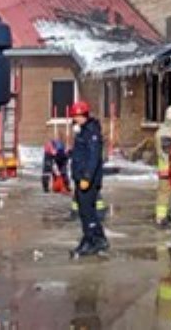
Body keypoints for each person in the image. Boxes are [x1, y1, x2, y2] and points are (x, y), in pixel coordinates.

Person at [68, 100, 108, 258]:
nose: (74, 119)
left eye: (76, 116)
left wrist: (87, 177)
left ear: (84, 115)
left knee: (87, 212)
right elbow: (81, 154)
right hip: (80, 178)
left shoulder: (91, 132)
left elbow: (93, 158)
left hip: (88, 180)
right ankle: (99, 239)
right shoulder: (82, 131)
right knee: (86, 211)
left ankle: (91, 240)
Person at [154, 104, 171, 227]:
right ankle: (161, 217)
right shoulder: (169, 133)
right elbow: (168, 152)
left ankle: (164, 215)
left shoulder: (161, 130)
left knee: (165, 192)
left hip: (164, 167)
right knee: (165, 193)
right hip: (168, 168)